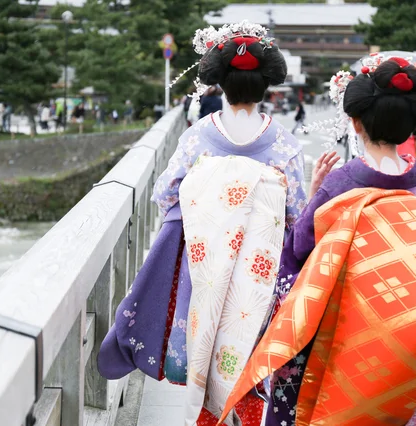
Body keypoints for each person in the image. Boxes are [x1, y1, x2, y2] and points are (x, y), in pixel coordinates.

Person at [98, 21, 337, 426]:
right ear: (266, 88)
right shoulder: (282, 144)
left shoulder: (198, 138)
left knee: (207, 348)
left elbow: (165, 194)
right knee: (246, 354)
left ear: (220, 86)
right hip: (260, 274)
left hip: (205, 268)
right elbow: (296, 216)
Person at [223, 56, 416, 426]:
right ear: (411, 126)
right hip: (412, 336)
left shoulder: (340, 186)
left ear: (355, 122)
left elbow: (297, 254)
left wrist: (313, 194)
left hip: (340, 337)